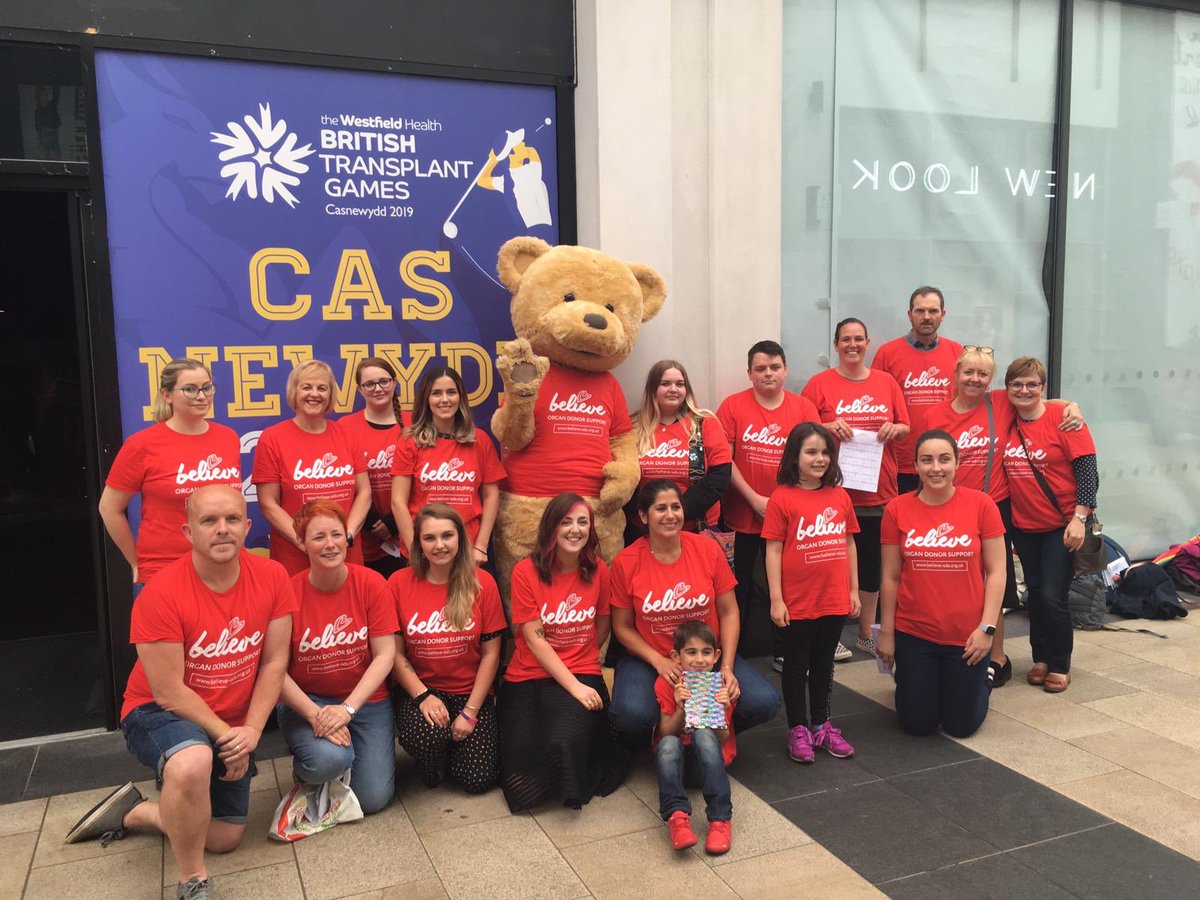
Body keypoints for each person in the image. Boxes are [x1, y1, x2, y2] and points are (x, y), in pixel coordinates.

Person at [66, 486, 294, 900]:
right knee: (193, 761)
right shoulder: (161, 593)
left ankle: (135, 812)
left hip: (228, 720)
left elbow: (274, 663)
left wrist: (252, 733)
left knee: (224, 836)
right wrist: (229, 738)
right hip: (156, 712)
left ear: (246, 527)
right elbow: (169, 691)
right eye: (209, 521)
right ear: (188, 532)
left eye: (231, 520)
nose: (221, 530)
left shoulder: (274, 576)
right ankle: (193, 880)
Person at [924, 346, 1083, 687]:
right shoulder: (935, 416)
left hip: (997, 507)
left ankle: (998, 656)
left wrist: (1072, 405)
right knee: (955, 579)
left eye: (982, 374)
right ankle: (954, 646)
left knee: (993, 580)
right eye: (968, 372)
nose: (975, 379)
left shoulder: (998, 401)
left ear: (990, 380)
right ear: (955, 375)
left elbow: (1040, 400)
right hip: (951, 508)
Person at [607, 479, 781, 743]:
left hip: (705, 658)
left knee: (763, 702)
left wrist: (726, 667)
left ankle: (706, 730)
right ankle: (664, 737)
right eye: (660, 508)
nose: (670, 515)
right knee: (630, 715)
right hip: (653, 660)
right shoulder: (626, 561)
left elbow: (729, 612)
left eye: (676, 507)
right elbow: (622, 626)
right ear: (643, 515)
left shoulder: (707, 549)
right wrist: (658, 660)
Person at [499, 493, 627, 812]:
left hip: (583, 673)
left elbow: (602, 624)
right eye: (566, 522)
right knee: (522, 752)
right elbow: (535, 639)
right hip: (528, 674)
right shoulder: (525, 572)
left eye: (583, 522)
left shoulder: (598, 570)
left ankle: (566, 780)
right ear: (551, 528)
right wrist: (573, 685)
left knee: (563, 739)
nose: (575, 529)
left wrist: (581, 664)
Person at [877, 431, 1006, 737]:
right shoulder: (897, 509)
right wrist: (887, 633)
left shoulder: (982, 504)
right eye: (927, 460)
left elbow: (998, 571)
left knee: (961, 725)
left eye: (944, 459)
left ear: (957, 464)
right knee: (917, 724)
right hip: (915, 634)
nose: (936, 467)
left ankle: (982, 677)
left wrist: (987, 629)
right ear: (916, 466)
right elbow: (890, 576)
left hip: (967, 636)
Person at [277, 499, 399, 814]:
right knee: (327, 762)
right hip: (309, 701)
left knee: (373, 799)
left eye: (336, 534)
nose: (330, 544)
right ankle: (313, 766)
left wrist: (347, 709)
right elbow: (274, 670)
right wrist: (316, 716)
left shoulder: (372, 584)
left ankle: (340, 753)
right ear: (302, 543)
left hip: (365, 701)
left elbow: (385, 655)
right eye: (318, 537)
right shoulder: (287, 593)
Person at [716, 341, 827, 670]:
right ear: (749, 373)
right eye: (760, 368)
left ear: (785, 370)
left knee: (790, 585)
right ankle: (736, 656)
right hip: (741, 517)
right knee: (740, 588)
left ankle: (785, 650)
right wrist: (753, 499)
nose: (768, 374)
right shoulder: (733, 406)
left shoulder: (804, 408)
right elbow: (724, 459)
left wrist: (780, 505)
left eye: (774, 367)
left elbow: (813, 461)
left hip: (791, 519)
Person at [802, 318, 910, 656]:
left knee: (872, 564)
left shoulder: (886, 382)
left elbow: (905, 425)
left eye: (859, 339)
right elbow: (801, 431)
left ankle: (866, 632)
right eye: (846, 339)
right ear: (835, 345)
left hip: (879, 490)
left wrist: (895, 428)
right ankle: (830, 635)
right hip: (832, 492)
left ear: (867, 343)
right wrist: (826, 425)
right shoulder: (819, 383)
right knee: (831, 563)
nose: (853, 345)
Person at [389, 503, 507, 792]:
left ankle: (454, 747)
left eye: (447, 536)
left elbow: (492, 653)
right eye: (429, 538)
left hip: (470, 691)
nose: (439, 545)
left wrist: (470, 712)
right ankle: (432, 755)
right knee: (425, 738)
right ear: (418, 542)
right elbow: (393, 653)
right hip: (422, 689)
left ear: (460, 539)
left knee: (476, 781)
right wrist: (423, 696)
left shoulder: (483, 583)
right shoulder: (397, 583)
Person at [999, 357, 1099, 694]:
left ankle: (1060, 663)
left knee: (1053, 595)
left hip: (1061, 525)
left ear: (1043, 387)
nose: (1024, 390)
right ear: (1008, 388)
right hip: (1024, 526)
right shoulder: (1008, 419)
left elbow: (1088, 473)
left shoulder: (1064, 420)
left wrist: (1079, 519)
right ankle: (1040, 657)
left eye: (1032, 384)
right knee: (1036, 594)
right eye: (1017, 384)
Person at [763, 423, 861, 763]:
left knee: (824, 664)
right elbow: (773, 550)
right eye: (811, 452)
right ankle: (798, 729)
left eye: (824, 452)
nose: (819, 459)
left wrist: (853, 590)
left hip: (833, 598)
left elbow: (849, 543)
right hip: (797, 602)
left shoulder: (840, 495)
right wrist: (777, 599)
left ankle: (821, 724)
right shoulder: (782, 498)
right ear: (795, 455)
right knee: (796, 666)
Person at [99, 358, 242, 586]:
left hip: (223, 566)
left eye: (207, 387)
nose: (202, 396)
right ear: (167, 395)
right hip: (166, 567)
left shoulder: (228, 438)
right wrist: (136, 561)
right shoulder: (142, 445)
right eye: (190, 389)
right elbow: (109, 507)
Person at [253, 359, 371, 575]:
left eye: (322, 388)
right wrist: (304, 541)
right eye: (306, 387)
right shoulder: (273, 438)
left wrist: (347, 536)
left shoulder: (347, 435)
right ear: (294, 391)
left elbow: (364, 492)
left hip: (345, 555)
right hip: (295, 558)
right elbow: (268, 503)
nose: (314, 394)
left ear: (330, 394)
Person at [391, 365, 505, 566]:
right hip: (424, 547)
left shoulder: (480, 440)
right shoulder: (410, 442)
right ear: (426, 398)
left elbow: (491, 495)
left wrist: (481, 545)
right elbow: (398, 502)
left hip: (468, 548)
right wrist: (415, 549)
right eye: (436, 393)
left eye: (451, 392)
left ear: (460, 397)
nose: (445, 399)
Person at [869, 286, 963, 495]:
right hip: (901, 462)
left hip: (944, 462)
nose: (927, 317)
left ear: (943, 314)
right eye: (920, 311)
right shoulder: (887, 354)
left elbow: (970, 403)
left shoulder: (957, 352)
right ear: (909, 315)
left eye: (933, 311)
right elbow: (876, 405)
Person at [655, 621, 735, 855]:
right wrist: (681, 707)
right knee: (668, 744)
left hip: (708, 763)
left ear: (716, 655)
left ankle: (720, 819)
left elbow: (723, 737)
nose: (699, 660)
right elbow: (666, 732)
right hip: (676, 766)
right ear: (676, 656)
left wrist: (721, 708)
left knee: (703, 735)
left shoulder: (721, 685)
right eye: (691, 652)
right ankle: (677, 817)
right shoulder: (667, 683)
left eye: (706, 652)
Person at [630, 359, 731, 541]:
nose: (673, 389)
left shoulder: (704, 423)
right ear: (653, 388)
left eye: (680, 384)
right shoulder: (634, 427)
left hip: (699, 528)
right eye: (665, 384)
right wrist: (652, 513)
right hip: (646, 529)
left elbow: (720, 476)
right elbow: (626, 480)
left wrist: (675, 512)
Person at [339, 357, 411, 579]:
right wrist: (373, 521)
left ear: (395, 383)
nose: (378, 388)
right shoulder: (345, 427)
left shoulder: (414, 424)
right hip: (364, 537)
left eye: (384, 381)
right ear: (360, 390)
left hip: (407, 533)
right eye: (369, 384)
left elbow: (426, 477)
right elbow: (341, 480)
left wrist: (393, 522)